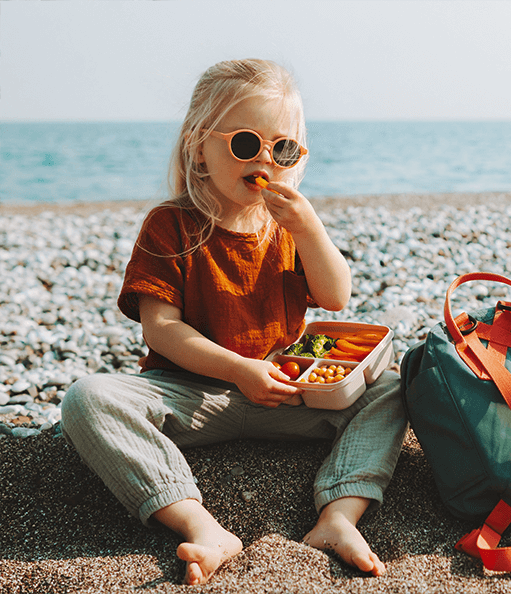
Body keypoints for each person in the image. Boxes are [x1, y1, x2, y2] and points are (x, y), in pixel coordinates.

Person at [60, 59, 408, 584]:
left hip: (286, 393)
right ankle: (199, 525)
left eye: (283, 148)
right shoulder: (171, 224)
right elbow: (162, 329)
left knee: (392, 387)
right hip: (188, 396)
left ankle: (339, 515)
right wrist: (238, 368)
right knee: (89, 397)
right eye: (246, 144)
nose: (266, 159)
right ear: (200, 145)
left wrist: (311, 228)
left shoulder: (288, 226)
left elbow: (337, 297)